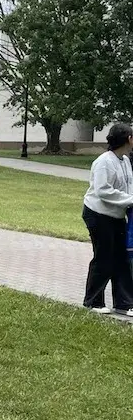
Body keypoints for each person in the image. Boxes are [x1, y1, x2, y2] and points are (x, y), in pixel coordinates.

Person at [82, 122, 133, 316]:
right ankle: (93, 301)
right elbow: (103, 190)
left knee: (122, 258)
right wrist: (130, 200)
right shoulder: (104, 161)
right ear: (128, 139)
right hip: (98, 214)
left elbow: (128, 186)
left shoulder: (125, 160)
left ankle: (124, 302)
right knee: (104, 257)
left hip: (117, 214)